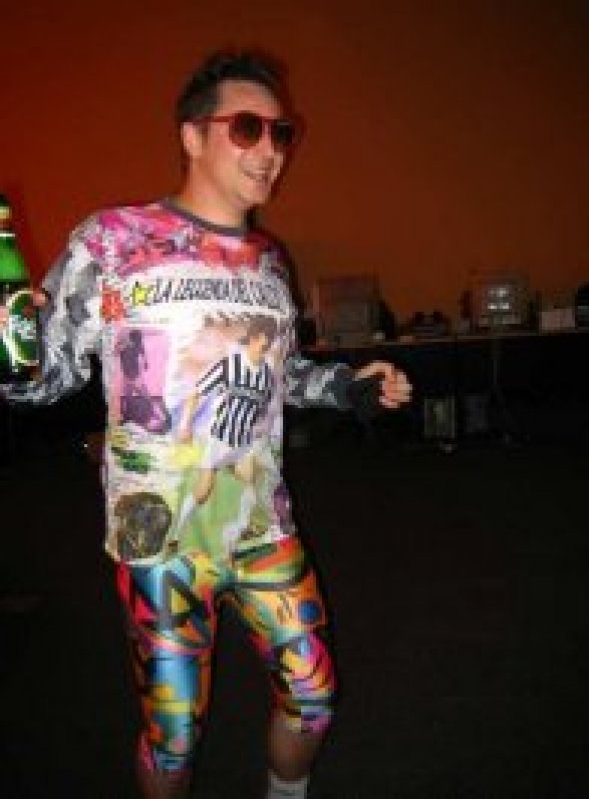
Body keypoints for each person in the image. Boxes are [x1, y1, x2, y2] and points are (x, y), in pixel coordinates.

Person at [1, 51, 412, 799]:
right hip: (159, 538)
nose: (270, 150)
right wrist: (10, 347)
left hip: (260, 523)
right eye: (247, 128)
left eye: (281, 132)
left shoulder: (269, 262)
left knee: (314, 695)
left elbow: (282, 374)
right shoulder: (114, 241)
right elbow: (40, 380)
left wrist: (348, 386)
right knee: (174, 739)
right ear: (192, 136)